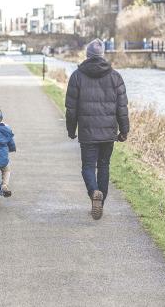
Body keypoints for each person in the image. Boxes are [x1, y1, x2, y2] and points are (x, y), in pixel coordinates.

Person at [65, 39, 129, 220]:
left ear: (87, 55)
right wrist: (124, 131)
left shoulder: (77, 76)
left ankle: (94, 193)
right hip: (108, 133)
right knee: (104, 166)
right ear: (102, 55)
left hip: (87, 133)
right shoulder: (115, 76)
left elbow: (71, 109)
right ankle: (101, 200)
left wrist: (71, 130)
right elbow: (122, 108)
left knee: (87, 166)